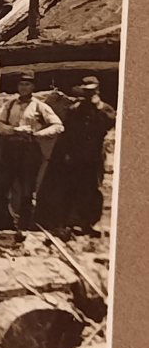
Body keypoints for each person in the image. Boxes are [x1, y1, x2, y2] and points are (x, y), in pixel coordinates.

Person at [0, 71, 65, 237]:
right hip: (9, 150)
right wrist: (13, 130)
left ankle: (24, 228)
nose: (23, 87)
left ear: (33, 87)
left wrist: (37, 133)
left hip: (29, 151)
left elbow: (58, 126)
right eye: (21, 84)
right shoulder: (10, 104)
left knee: (27, 189)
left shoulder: (40, 106)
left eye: (27, 84)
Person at [52, 76, 116, 234]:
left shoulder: (104, 109)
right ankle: (71, 223)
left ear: (97, 90)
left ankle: (91, 223)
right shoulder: (76, 109)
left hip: (94, 156)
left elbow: (110, 123)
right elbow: (67, 132)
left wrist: (98, 106)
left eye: (92, 91)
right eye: (86, 91)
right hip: (76, 156)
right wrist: (66, 153)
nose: (89, 94)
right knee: (73, 188)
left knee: (93, 189)